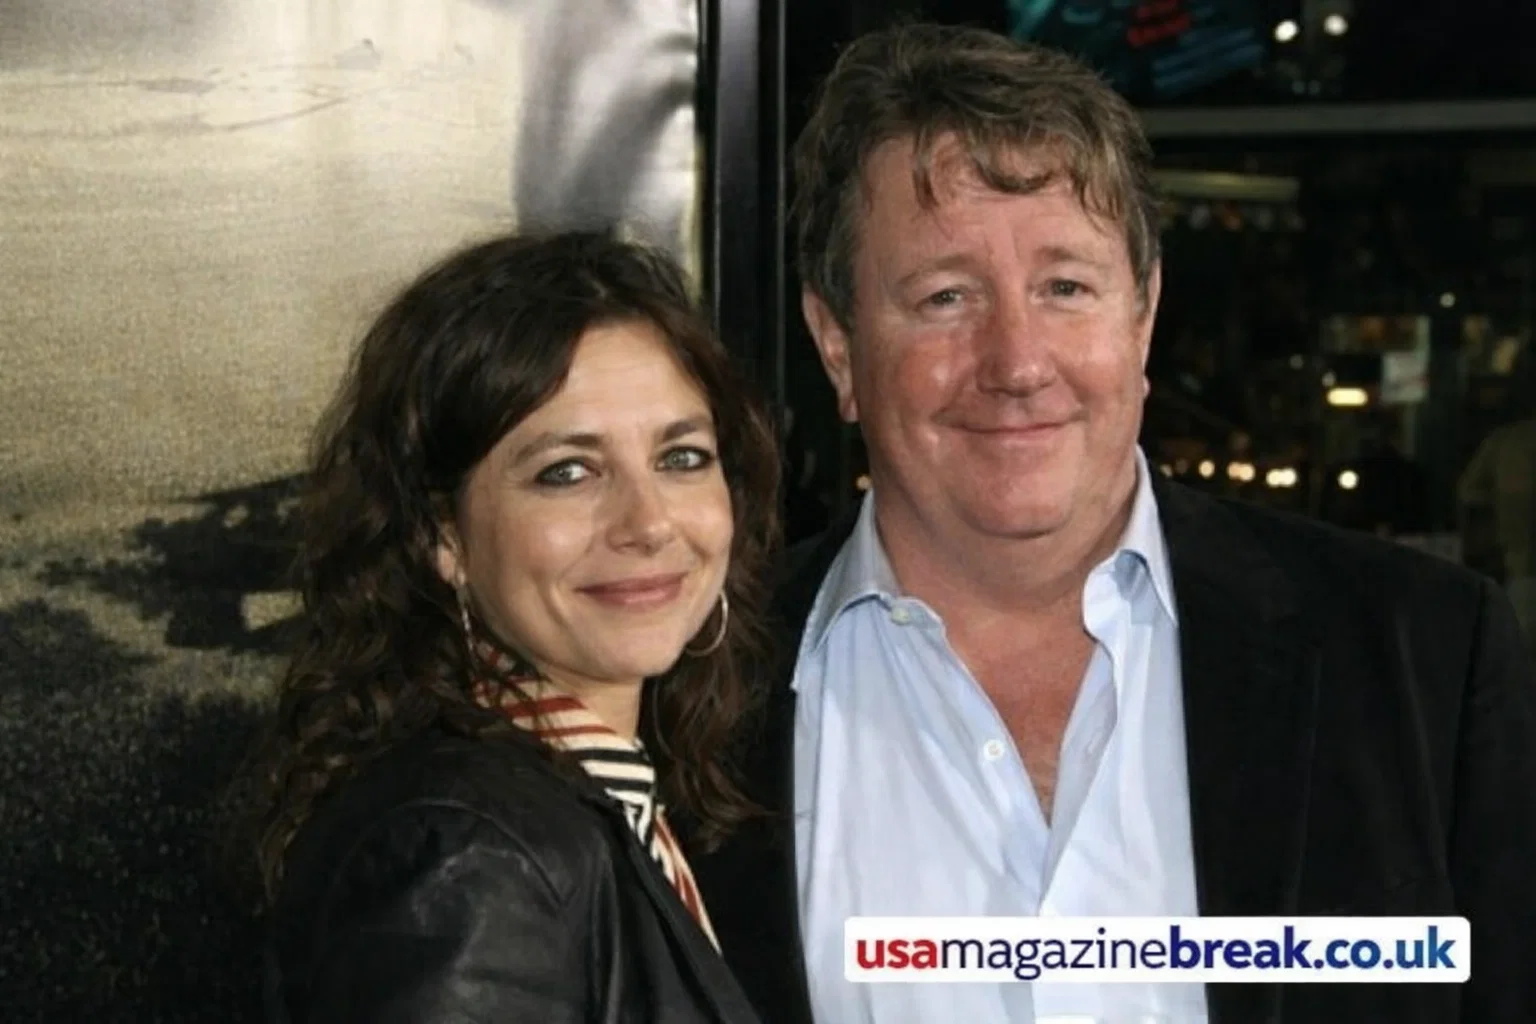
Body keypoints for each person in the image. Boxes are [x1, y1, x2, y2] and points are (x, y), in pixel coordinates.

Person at [687, 23, 1536, 1024]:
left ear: (1143, 315)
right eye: (945, 296)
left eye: (1066, 288)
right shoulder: (690, 703)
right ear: (837, 344)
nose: (1017, 362)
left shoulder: (1424, 661)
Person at [240, 231, 777, 1022]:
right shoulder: (469, 857)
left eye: (682, 458)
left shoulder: (578, 805)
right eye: (568, 472)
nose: (648, 523)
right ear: (443, 536)